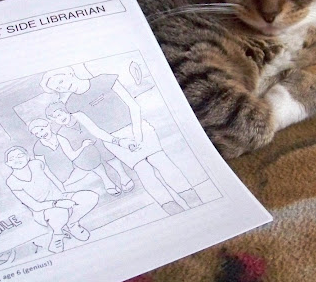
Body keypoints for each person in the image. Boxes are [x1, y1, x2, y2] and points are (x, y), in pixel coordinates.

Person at [40, 67, 203, 215]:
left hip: (138, 128)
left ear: (69, 73)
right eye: (57, 88)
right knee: (143, 170)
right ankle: (172, 209)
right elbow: (94, 129)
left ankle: (194, 201)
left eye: (60, 81)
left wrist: (137, 133)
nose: (62, 87)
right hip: (114, 140)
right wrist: (119, 142)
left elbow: (133, 105)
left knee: (161, 161)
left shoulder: (104, 79)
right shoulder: (71, 104)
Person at [4, 146, 98, 253]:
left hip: (60, 197)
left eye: (20, 155)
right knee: (59, 212)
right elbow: (35, 206)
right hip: (43, 210)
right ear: (8, 164)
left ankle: (72, 223)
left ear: (27, 156)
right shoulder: (12, 181)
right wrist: (58, 203)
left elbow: (53, 178)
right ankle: (57, 234)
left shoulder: (37, 164)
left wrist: (64, 193)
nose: (17, 160)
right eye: (12, 159)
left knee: (90, 197)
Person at [44, 103, 134, 195]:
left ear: (65, 110)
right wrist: (83, 147)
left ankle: (123, 175)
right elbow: (71, 155)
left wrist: (117, 141)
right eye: (55, 118)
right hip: (84, 154)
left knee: (102, 147)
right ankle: (106, 180)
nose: (60, 118)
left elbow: (97, 131)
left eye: (59, 114)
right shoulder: (60, 134)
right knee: (87, 155)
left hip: (97, 144)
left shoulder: (79, 116)